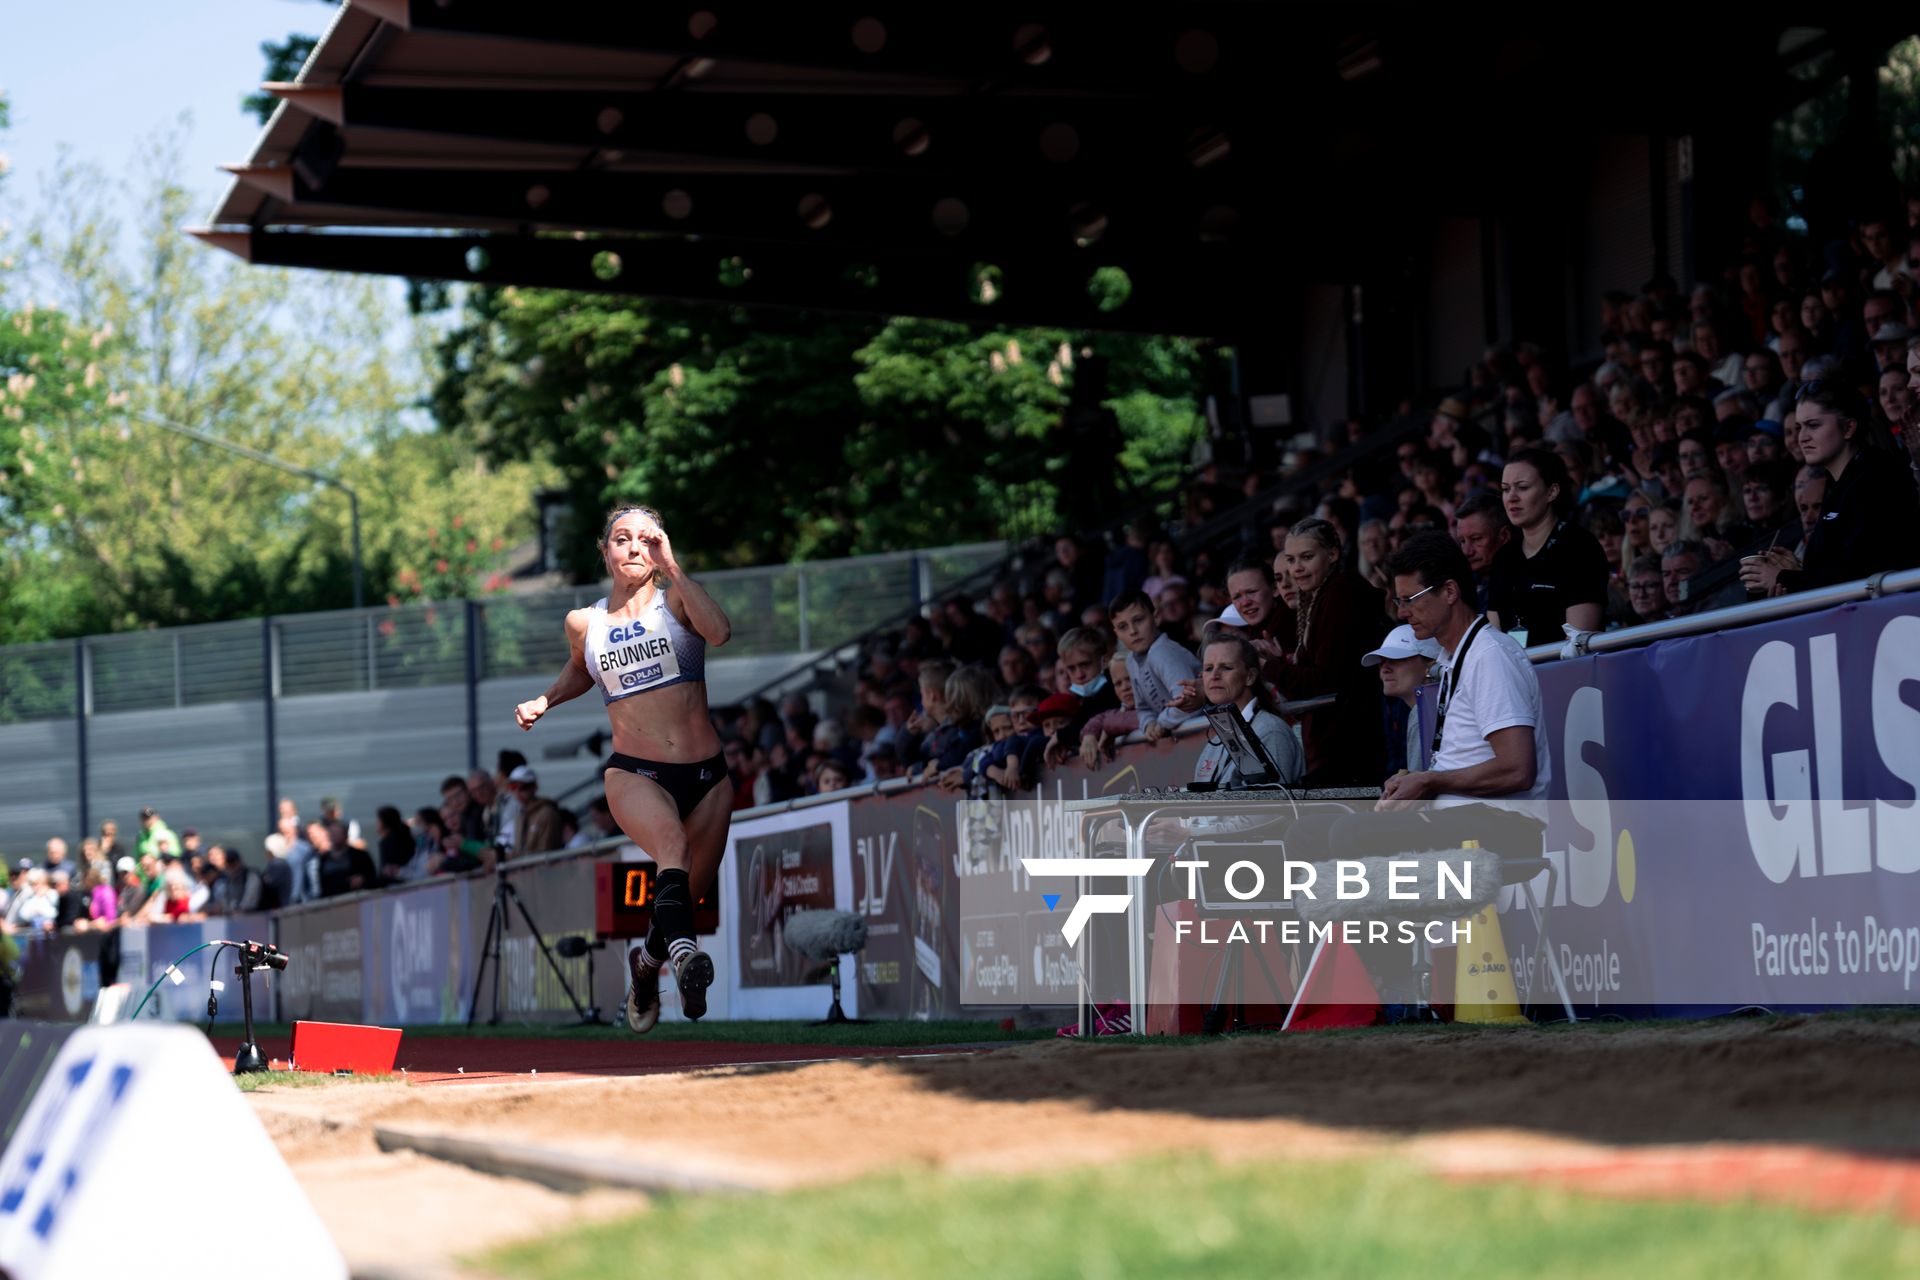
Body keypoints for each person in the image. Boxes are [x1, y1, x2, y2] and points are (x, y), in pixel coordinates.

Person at [515, 505, 735, 1032]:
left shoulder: (677, 600)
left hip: (708, 777)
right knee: (672, 851)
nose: (633, 547)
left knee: (682, 892)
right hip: (635, 771)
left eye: (645, 538)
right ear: (605, 549)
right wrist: (546, 700)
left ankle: (646, 968)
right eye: (621, 538)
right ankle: (684, 957)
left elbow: (721, 633)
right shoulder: (584, 623)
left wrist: (675, 567)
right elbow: (581, 667)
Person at [1378, 533, 1551, 813]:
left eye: (1410, 599)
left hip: (1501, 827)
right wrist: (1419, 780)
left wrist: (1429, 781)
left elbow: (1518, 770)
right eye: (1400, 602)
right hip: (1462, 819)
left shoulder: (1490, 655)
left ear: (1449, 592)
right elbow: (1463, 761)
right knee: (1312, 831)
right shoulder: (1454, 656)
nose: (1403, 613)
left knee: (1345, 832)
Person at [1742, 382, 1920, 595]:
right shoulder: (1839, 484)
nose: (1802, 437)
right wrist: (1797, 572)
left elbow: (1863, 573)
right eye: (1799, 427)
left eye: (1813, 425)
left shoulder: (1877, 479)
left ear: (1848, 428)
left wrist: (1782, 577)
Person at [1266, 518, 1390, 785]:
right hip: (1340, 747)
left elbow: (1323, 682)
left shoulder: (1339, 596)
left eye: (1306, 557)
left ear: (1332, 553)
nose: (1296, 569)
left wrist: (1268, 666)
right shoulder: (1323, 595)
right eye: (1290, 560)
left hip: (1350, 750)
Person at [1486, 447, 1608, 645]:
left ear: (1552, 491)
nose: (1511, 497)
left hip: (1565, 672)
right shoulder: (1504, 556)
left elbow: (1579, 642)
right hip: (1515, 673)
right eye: (1506, 489)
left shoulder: (1579, 546)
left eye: (1523, 487)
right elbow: (1495, 637)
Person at [1188, 634, 1303, 790]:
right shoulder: (1214, 743)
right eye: (1208, 668)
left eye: (1226, 667)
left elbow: (1270, 809)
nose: (1214, 676)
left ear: (1250, 676)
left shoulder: (1271, 731)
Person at [1110, 590, 1202, 742]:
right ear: (1116, 633)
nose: (1133, 631)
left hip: (1205, 735)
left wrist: (1161, 723)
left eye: (1138, 620)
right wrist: (1148, 724)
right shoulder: (1131, 661)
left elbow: (1188, 701)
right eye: (1123, 627)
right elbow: (1143, 708)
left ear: (1156, 617)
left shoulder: (1162, 651)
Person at [1364, 624, 1443, 777]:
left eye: (1396, 659)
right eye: (1382, 660)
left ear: (1431, 666)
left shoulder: (1425, 713)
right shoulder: (1429, 708)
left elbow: (1418, 793)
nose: (1384, 668)